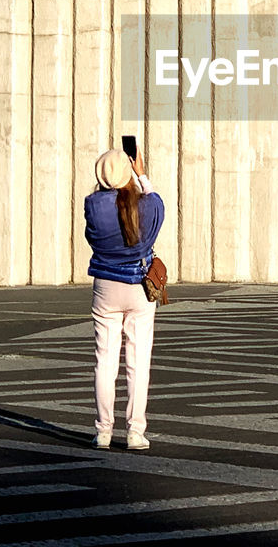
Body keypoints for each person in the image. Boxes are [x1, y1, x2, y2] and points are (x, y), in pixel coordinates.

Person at [84, 146, 164, 451]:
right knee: (138, 361)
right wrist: (141, 174)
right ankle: (135, 431)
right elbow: (158, 206)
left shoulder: (92, 204)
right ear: (127, 172)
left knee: (104, 360)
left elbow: (91, 237)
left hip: (105, 285)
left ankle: (103, 431)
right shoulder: (146, 205)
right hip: (139, 287)